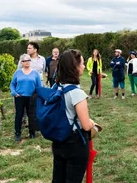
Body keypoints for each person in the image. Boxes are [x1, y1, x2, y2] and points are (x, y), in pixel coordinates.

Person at [51, 49, 94, 183]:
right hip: (75, 142)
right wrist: (92, 123)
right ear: (74, 67)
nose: (83, 66)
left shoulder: (55, 87)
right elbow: (86, 125)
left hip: (58, 139)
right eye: (81, 63)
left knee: (58, 179)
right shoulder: (77, 93)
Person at [10, 54, 42, 142]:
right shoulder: (17, 73)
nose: (27, 62)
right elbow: (12, 84)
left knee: (31, 115)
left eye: (28, 60)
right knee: (19, 115)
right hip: (20, 97)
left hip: (31, 98)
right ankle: (17, 133)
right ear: (21, 62)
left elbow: (39, 86)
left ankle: (32, 132)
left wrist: (39, 96)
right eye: (25, 61)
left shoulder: (35, 73)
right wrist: (14, 93)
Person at [18, 42, 46, 138]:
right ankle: (24, 123)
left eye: (30, 48)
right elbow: (18, 72)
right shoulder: (24, 59)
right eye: (27, 48)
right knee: (26, 107)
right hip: (27, 86)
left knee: (37, 106)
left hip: (38, 86)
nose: (28, 50)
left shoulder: (42, 59)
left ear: (35, 49)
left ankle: (36, 126)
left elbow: (43, 70)